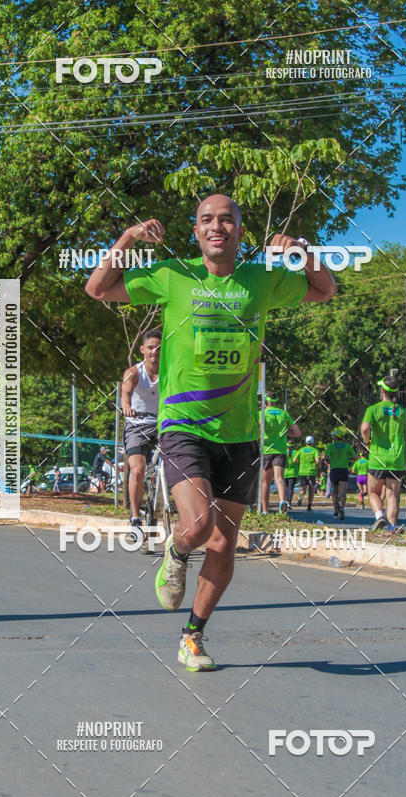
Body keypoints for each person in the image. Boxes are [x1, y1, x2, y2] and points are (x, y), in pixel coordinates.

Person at [84, 193, 337, 671]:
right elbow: (98, 288)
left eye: (227, 219)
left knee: (224, 543)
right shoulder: (173, 276)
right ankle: (176, 551)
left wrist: (302, 251)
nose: (216, 226)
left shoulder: (262, 280)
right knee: (198, 526)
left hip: (240, 432)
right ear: (195, 232)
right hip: (183, 424)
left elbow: (324, 290)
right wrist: (130, 237)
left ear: (241, 231)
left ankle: (192, 637)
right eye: (206, 220)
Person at [121, 329, 161, 542]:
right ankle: (136, 518)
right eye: (151, 347)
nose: (155, 351)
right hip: (137, 425)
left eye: (159, 347)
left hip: (163, 425)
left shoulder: (169, 371)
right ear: (143, 350)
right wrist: (126, 406)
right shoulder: (133, 372)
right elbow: (125, 392)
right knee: (137, 470)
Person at [360, 375, 406, 533]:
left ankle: (379, 516)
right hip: (397, 460)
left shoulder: (373, 409)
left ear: (382, 391)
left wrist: (367, 443)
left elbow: (365, 429)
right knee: (392, 496)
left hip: (378, 459)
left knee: (373, 492)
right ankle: (392, 528)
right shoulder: (402, 412)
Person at [261, 395, 301, 513]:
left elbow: (258, 429)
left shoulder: (262, 413)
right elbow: (298, 432)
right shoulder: (284, 414)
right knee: (279, 478)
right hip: (281, 450)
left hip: (266, 450)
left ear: (264, 402)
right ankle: (282, 501)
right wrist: (285, 434)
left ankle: (265, 510)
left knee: (266, 482)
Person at [325, 430, 356, 520]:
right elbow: (355, 457)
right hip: (344, 469)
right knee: (343, 491)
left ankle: (335, 511)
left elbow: (326, 458)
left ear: (335, 437)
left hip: (334, 469)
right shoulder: (347, 446)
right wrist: (350, 466)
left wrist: (330, 462)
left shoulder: (331, 446)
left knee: (334, 491)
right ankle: (342, 506)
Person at [294, 436, 320, 510]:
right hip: (311, 472)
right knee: (311, 490)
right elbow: (317, 461)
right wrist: (318, 466)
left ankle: (301, 495)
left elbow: (294, 459)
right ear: (313, 442)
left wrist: (299, 463)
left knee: (302, 488)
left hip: (302, 471)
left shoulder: (301, 450)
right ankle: (309, 506)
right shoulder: (315, 450)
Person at [284, 440, 300, 508]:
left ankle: (284, 501)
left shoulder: (284, 452)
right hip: (293, 473)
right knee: (290, 488)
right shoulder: (296, 452)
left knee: (285, 488)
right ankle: (289, 503)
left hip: (285, 473)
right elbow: (298, 462)